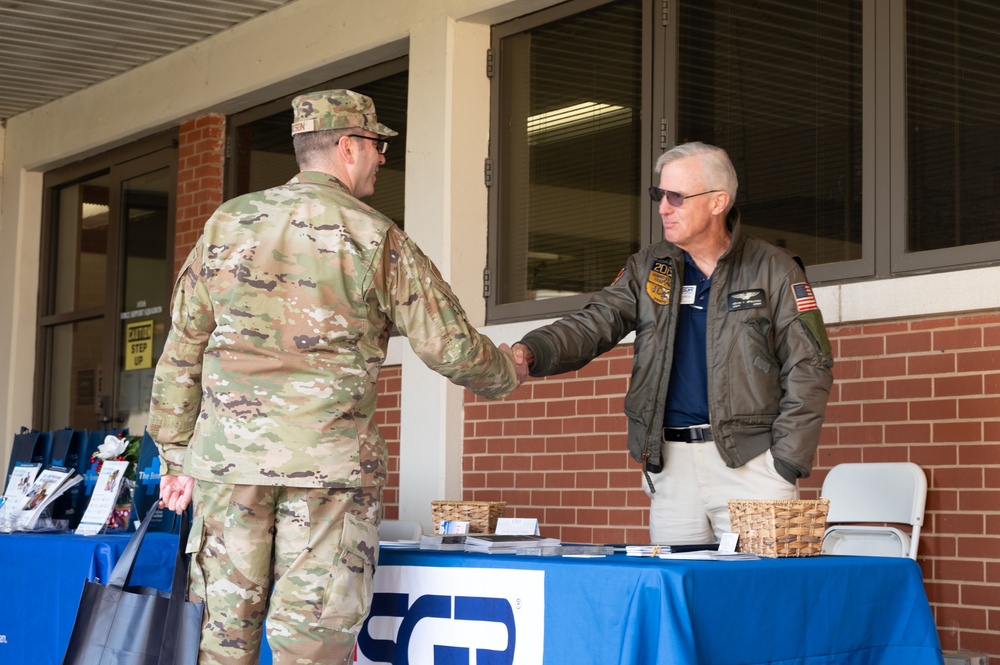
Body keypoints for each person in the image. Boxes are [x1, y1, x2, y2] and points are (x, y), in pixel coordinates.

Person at [147, 89, 521, 665]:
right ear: (347, 146)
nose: (381, 158)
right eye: (376, 145)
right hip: (329, 473)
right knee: (312, 641)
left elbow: (183, 347)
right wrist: (508, 371)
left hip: (228, 467)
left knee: (221, 640)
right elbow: (449, 346)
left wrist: (177, 457)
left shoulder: (227, 224)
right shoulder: (373, 235)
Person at [512, 141, 833, 544]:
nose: (663, 207)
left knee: (760, 598)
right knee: (679, 597)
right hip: (671, 466)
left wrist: (785, 461)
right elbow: (594, 322)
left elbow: (810, 364)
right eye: (659, 195)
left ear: (718, 202)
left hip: (752, 464)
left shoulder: (773, 268)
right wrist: (532, 350)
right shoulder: (649, 268)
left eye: (676, 197)